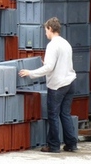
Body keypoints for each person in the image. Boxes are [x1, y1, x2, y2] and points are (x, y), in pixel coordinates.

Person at [19, 17, 77, 153]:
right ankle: (71, 144)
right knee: (65, 114)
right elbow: (61, 63)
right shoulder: (65, 43)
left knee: (53, 115)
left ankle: (53, 145)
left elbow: (49, 67)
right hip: (70, 82)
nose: (45, 33)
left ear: (50, 29)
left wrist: (30, 73)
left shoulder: (52, 45)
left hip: (57, 85)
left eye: (46, 30)